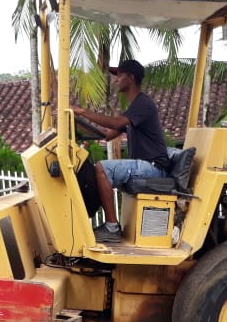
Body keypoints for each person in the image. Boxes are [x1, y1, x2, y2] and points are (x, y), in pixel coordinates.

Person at [72, 59, 173, 244]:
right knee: (97, 170)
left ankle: (111, 227)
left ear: (130, 77)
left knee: (102, 168)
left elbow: (117, 123)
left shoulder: (143, 103)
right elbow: (107, 134)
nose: (115, 80)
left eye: (119, 76)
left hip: (154, 167)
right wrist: (75, 127)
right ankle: (109, 225)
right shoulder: (134, 109)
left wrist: (83, 112)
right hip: (145, 166)